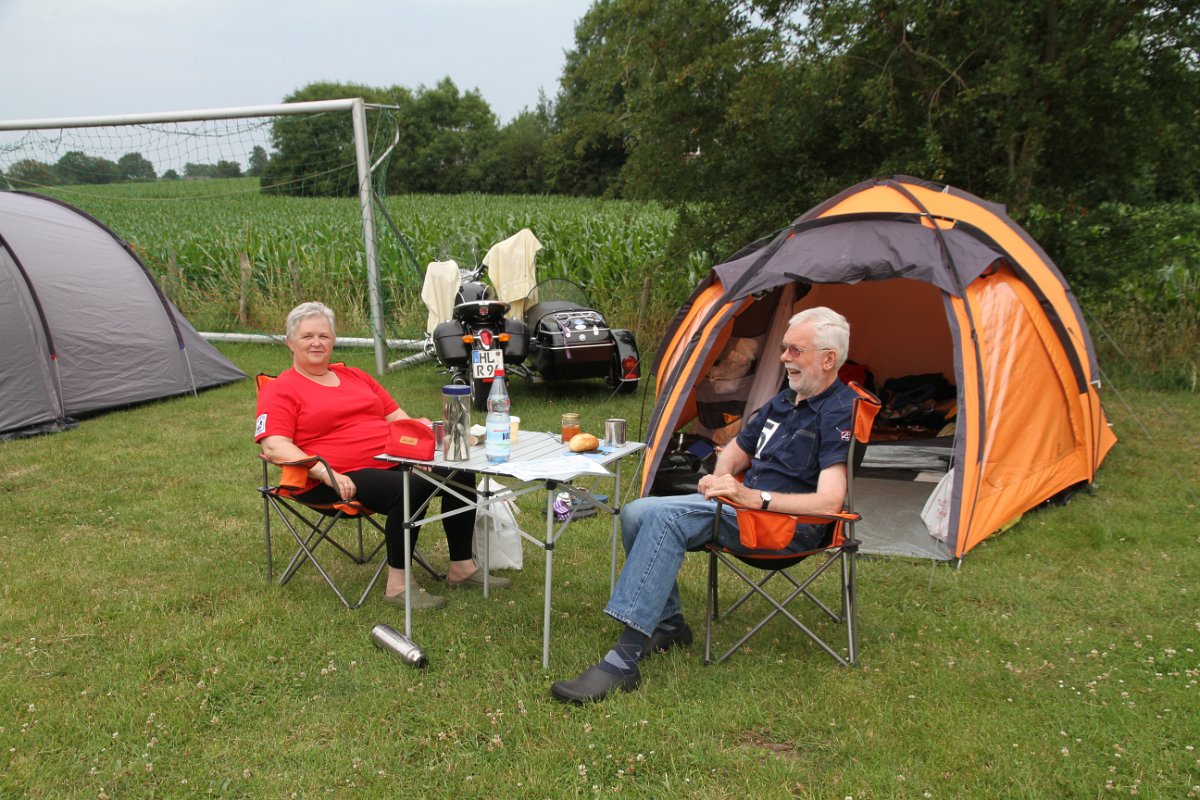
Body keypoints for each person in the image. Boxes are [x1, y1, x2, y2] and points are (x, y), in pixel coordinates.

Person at [551, 306, 856, 703]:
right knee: (635, 511)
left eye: (795, 350)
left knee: (664, 518)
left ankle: (623, 660)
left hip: (786, 527)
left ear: (828, 359)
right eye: (784, 349)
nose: (783, 358)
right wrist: (721, 475)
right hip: (743, 512)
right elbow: (736, 449)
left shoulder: (838, 411)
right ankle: (670, 623)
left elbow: (831, 500)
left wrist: (754, 498)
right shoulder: (785, 401)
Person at [255, 301, 509, 610]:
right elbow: (273, 446)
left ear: (333, 340)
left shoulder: (356, 377)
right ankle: (398, 585)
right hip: (333, 476)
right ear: (290, 342)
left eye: (323, 335)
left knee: (459, 470)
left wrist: (426, 437)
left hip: (392, 459)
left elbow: (401, 421)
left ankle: (462, 567)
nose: (317, 342)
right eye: (307, 336)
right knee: (409, 487)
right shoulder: (282, 389)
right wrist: (327, 473)